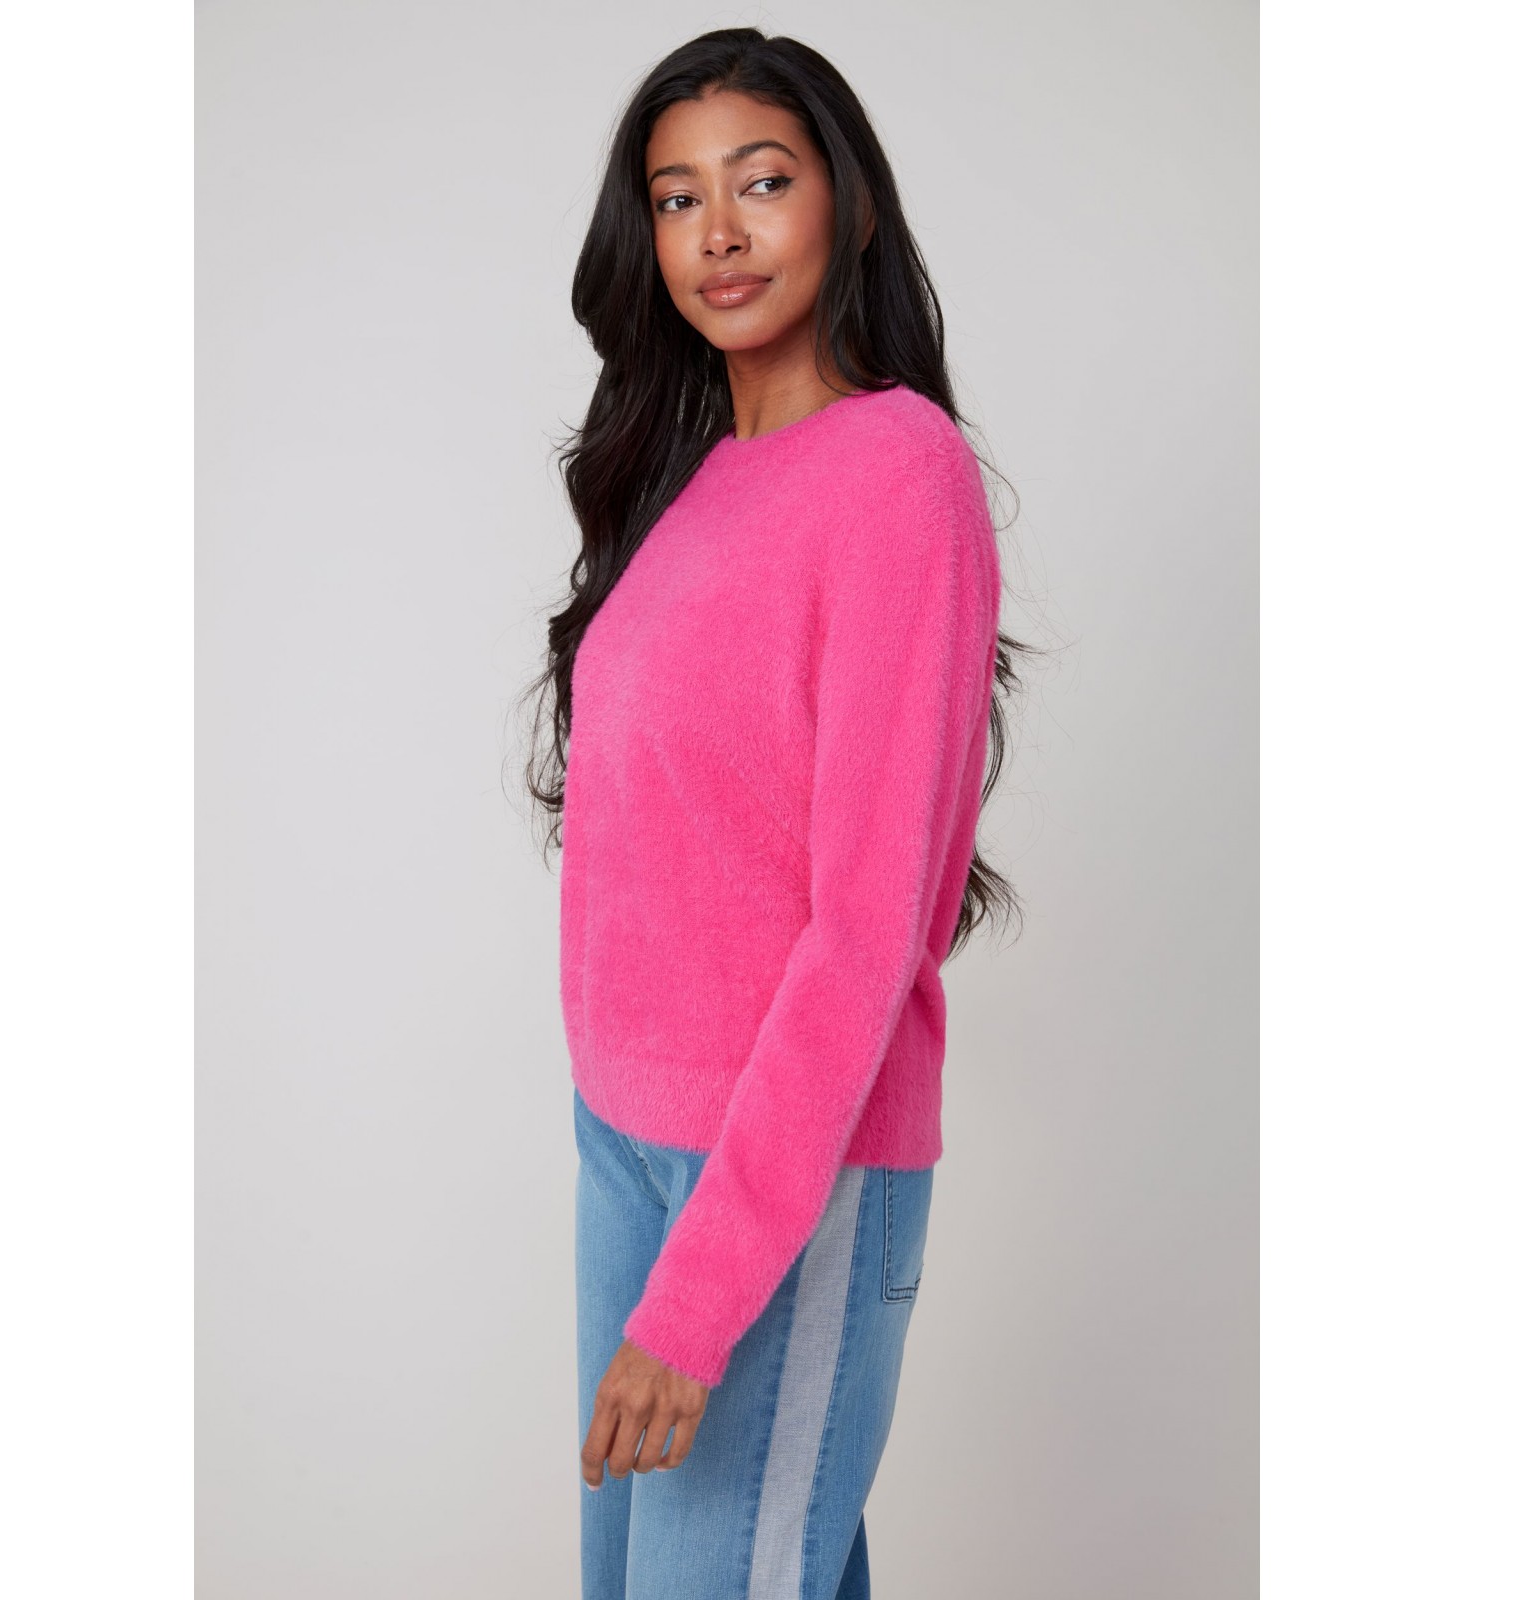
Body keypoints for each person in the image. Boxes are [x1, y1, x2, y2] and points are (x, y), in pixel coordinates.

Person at [521, 26, 1030, 1600]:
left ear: (849, 205)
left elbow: (868, 926)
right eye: (678, 198)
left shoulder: (899, 475)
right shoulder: (688, 477)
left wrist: (702, 1296)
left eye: (761, 181)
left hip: (785, 1170)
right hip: (630, 1141)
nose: (719, 233)